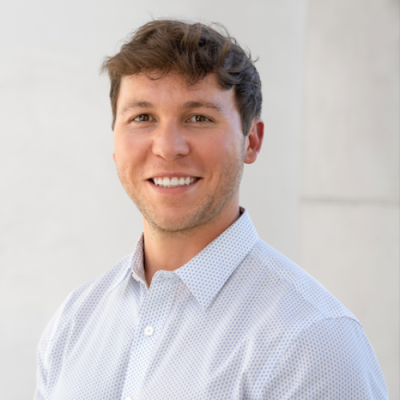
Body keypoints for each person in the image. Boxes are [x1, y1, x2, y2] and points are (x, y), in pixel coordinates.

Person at [35, 20, 388, 399]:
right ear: (115, 142)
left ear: (251, 141)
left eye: (198, 118)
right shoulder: (73, 323)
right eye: (143, 117)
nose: (168, 147)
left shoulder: (313, 341)